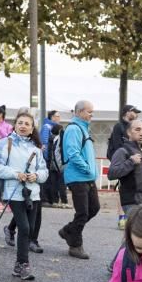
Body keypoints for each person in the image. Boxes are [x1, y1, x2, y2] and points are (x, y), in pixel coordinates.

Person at [0, 111, 48, 280]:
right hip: (13, 192)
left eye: (27, 124)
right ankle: (23, 264)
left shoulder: (36, 148)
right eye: (20, 122)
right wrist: (16, 174)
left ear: (32, 129)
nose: (23, 126)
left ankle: (19, 265)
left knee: (28, 231)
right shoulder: (4, 143)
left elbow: (44, 171)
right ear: (15, 125)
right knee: (24, 227)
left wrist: (36, 176)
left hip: (33, 193)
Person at [58, 100, 99, 260]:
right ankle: (75, 245)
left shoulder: (83, 129)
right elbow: (73, 153)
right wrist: (87, 168)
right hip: (78, 177)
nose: (91, 115)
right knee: (82, 213)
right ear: (79, 112)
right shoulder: (74, 129)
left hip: (88, 177)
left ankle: (68, 230)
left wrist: (91, 171)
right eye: (89, 112)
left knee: (93, 209)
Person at [107, 104, 141, 229]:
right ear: (127, 112)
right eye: (134, 112)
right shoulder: (119, 126)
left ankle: (128, 217)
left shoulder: (133, 126)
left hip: (133, 163)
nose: (136, 114)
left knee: (129, 190)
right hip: (123, 162)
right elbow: (117, 146)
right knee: (122, 189)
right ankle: (122, 218)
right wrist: (125, 162)